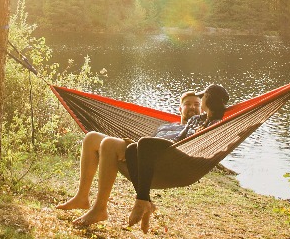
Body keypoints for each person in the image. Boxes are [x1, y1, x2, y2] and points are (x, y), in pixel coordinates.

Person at [55, 91, 203, 226]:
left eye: (197, 104)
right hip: (142, 155)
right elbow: (149, 142)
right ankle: (82, 197)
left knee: (109, 144)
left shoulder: (198, 128)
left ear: (202, 109)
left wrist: (203, 124)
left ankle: (100, 209)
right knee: (91, 138)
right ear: (180, 109)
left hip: (166, 164)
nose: (192, 107)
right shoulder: (165, 126)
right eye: (187, 104)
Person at [125, 83, 229, 233]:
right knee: (131, 149)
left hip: (187, 158)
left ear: (209, 100)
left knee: (144, 143)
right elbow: (180, 137)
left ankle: (141, 201)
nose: (201, 100)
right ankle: (145, 200)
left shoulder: (216, 124)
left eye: (203, 97)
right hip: (176, 148)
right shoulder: (196, 120)